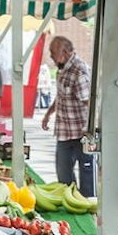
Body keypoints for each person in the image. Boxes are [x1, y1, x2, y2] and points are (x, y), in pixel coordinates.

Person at [40, 35, 94, 197]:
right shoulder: (63, 69)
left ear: (64, 52)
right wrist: (48, 114)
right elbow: (62, 96)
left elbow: (89, 103)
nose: (50, 56)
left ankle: (87, 204)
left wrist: (91, 129)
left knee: (87, 175)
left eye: (52, 52)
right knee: (63, 175)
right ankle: (71, 199)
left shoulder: (79, 71)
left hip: (80, 132)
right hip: (65, 132)